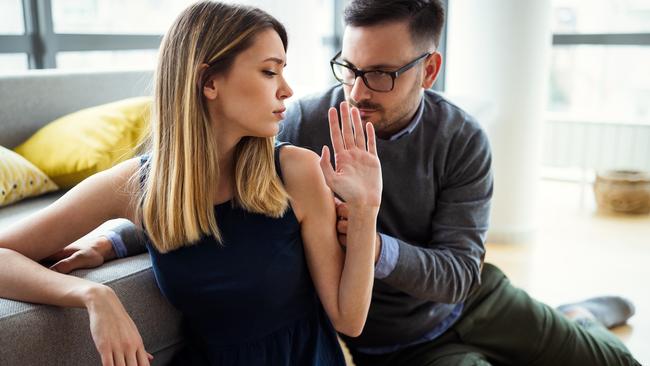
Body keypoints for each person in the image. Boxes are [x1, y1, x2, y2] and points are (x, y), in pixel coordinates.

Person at [44, 0, 640, 365]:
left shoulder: (461, 139)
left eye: (379, 75)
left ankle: (578, 318)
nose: (355, 92)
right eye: (349, 69)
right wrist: (121, 239)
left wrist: (369, 231)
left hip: (465, 302)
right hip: (386, 344)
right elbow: (215, 194)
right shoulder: (298, 123)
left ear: (427, 70)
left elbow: (459, 274)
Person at [0, 2, 384, 365]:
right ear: (208, 81)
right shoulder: (137, 184)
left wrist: (366, 208)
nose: (287, 89)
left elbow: (348, 320)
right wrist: (92, 295)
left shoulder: (297, 170)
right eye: (270, 71)